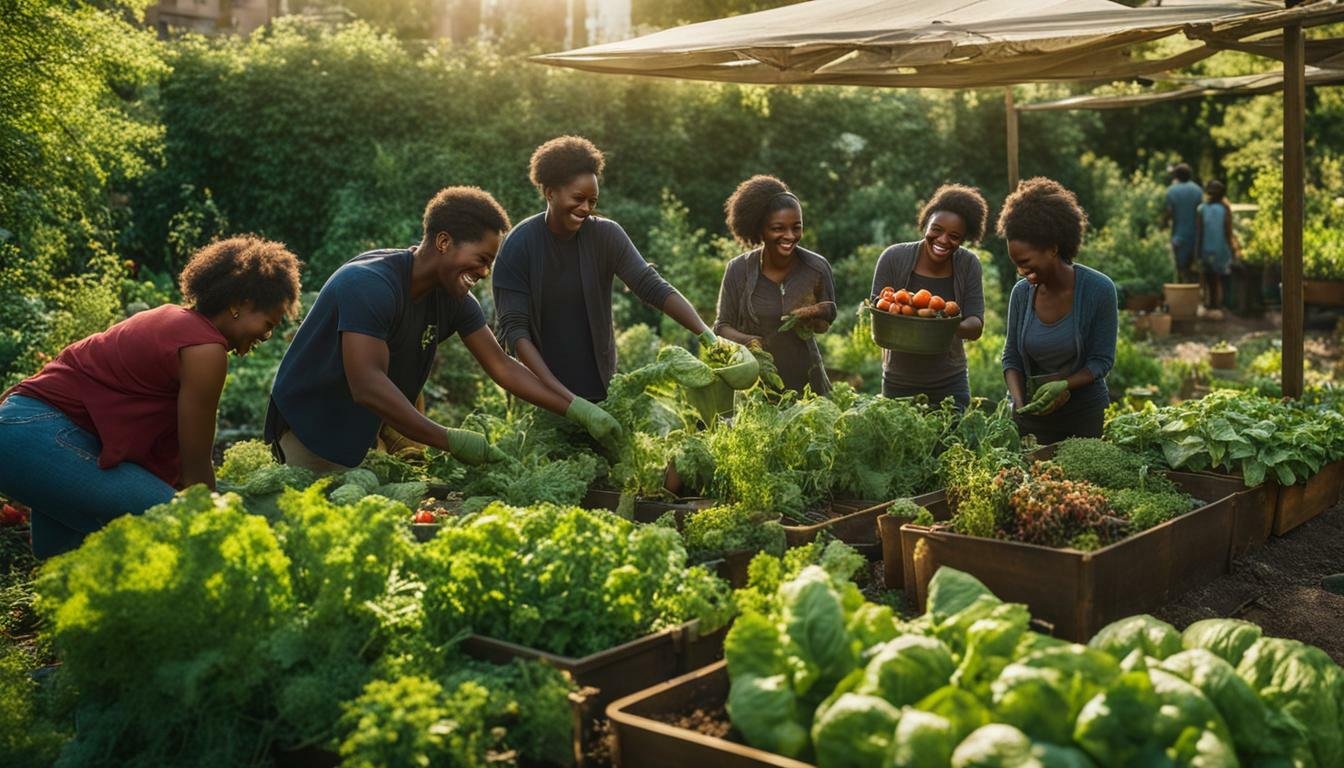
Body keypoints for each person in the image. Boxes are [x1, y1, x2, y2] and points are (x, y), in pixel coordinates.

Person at [265, 186, 622, 472]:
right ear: (443, 242)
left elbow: (502, 366)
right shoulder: (368, 284)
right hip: (309, 430)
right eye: (482, 258)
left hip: (356, 433)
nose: (484, 272)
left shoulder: (450, 298)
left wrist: (577, 408)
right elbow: (368, 386)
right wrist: (450, 439)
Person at [0, 236, 302, 557]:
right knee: (178, 524)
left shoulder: (171, 319)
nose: (267, 335)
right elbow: (196, 467)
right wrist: (214, 530)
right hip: (40, 437)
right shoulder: (204, 350)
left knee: (67, 567)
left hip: (24, 429)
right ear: (238, 303)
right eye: (268, 323)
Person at [492, 135, 727, 404]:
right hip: (542, 396)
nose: (585, 208)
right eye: (578, 198)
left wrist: (706, 334)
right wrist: (565, 398)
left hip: (602, 389)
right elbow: (515, 331)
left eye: (592, 201)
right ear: (550, 192)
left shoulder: (605, 235)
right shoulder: (519, 245)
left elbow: (651, 286)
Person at [999, 178, 1118, 444]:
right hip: (1033, 418)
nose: (1021, 272)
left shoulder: (1098, 289)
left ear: (1053, 248)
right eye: (1016, 264)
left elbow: (1101, 360)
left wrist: (1065, 384)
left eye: (1026, 263)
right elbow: (1012, 357)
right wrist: (1019, 405)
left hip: (1083, 416)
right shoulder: (1021, 294)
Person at [713, 175, 836, 396]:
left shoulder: (816, 268)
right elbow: (721, 327)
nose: (789, 236)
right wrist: (750, 341)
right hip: (756, 386)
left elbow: (823, 325)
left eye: (796, 227)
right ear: (759, 230)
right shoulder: (738, 270)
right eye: (778, 228)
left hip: (810, 387)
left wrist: (814, 313)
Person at [870, 184, 987, 410]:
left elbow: (975, 325)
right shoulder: (893, 258)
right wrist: (908, 313)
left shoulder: (968, 264)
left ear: (964, 239)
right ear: (925, 224)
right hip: (899, 381)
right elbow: (879, 310)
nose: (943, 240)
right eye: (936, 229)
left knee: (950, 444)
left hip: (949, 381)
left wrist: (941, 324)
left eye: (954, 236)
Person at [1196, 179, 1240, 311]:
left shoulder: (1201, 209)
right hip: (1222, 249)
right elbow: (1228, 231)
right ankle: (1223, 304)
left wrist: (1196, 252)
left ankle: (1211, 303)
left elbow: (1200, 233)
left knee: (1209, 279)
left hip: (1206, 250)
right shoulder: (1225, 209)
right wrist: (1233, 249)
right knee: (1223, 278)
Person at [1163, 162, 1204, 283]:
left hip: (1178, 235)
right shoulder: (1198, 190)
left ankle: (1181, 290)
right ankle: (1193, 292)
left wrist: (1163, 223)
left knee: (1179, 267)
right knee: (1193, 268)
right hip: (1195, 235)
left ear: (1176, 176)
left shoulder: (1171, 191)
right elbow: (1200, 214)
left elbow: (1169, 212)